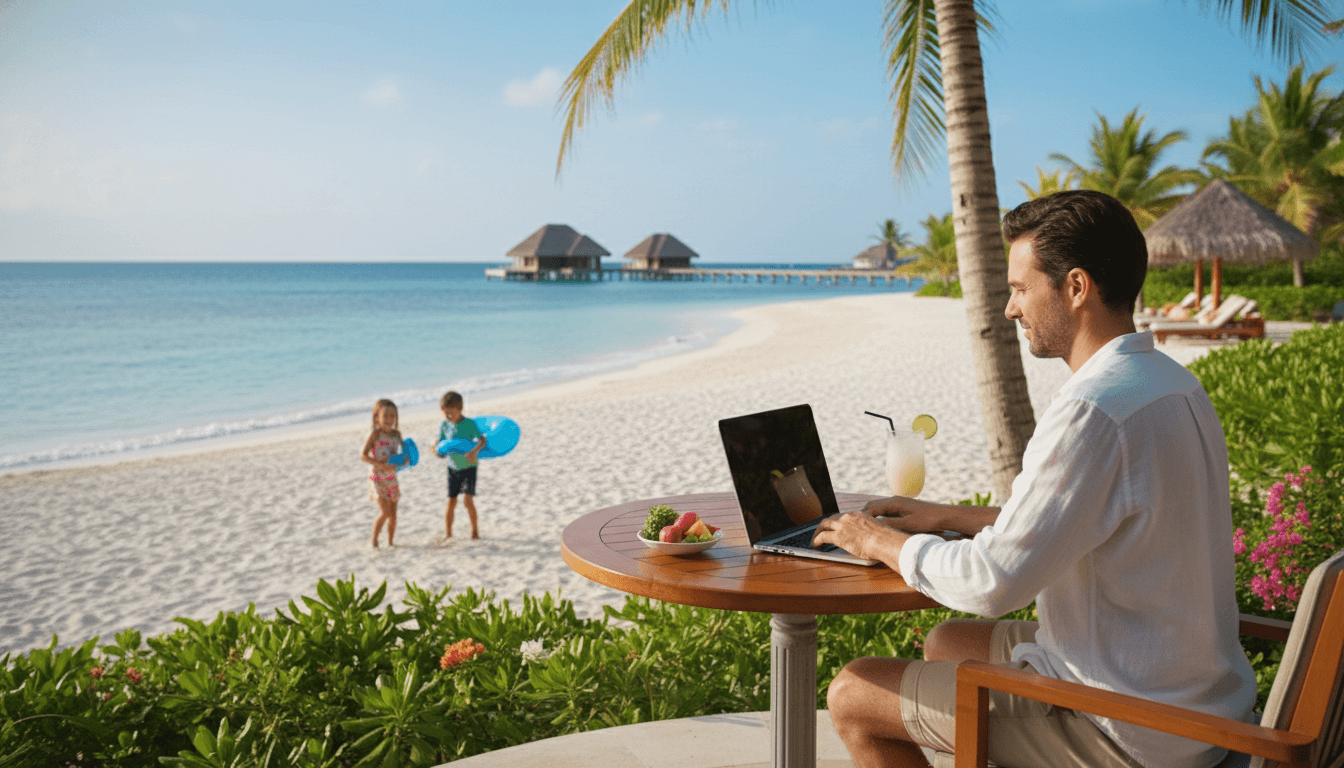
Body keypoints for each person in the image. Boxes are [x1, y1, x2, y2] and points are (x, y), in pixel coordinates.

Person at [813, 190, 1256, 768]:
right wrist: (949, 519)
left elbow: (994, 584)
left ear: (1075, 288)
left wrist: (876, 541)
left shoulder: (1093, 411)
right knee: (949, 643)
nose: (1010, 308)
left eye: (1021, 289)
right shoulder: (1169, 383)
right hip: (1191, 697)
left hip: (1134, 728)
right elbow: (1099, 518)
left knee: (854, 692)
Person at [436, 391, 485, 540]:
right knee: (451, 501)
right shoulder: (444, 425)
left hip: (470, 467)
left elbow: (482, 441)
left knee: (468, 502)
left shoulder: (469, 424)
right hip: (453, 468)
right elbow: (441, 444)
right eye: (446, 413)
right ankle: (448, 533)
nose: (449, 417)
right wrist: (436, 450)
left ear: (460, 409)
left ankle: (475, 531)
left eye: (451, 413)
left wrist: (473, 452)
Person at [361, 398, 403, 548]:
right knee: (385, 512)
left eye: (392, 416)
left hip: (391, 477)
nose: (389, 419)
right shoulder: (375, 435)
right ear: (376, 417)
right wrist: (379, 464)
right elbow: (363, 455)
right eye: (385, 416)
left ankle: (391, 542)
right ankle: (374, 542)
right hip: (377, 477)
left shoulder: (397, 435)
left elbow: (404, 456)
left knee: (393, 514)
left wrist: (403, 463)